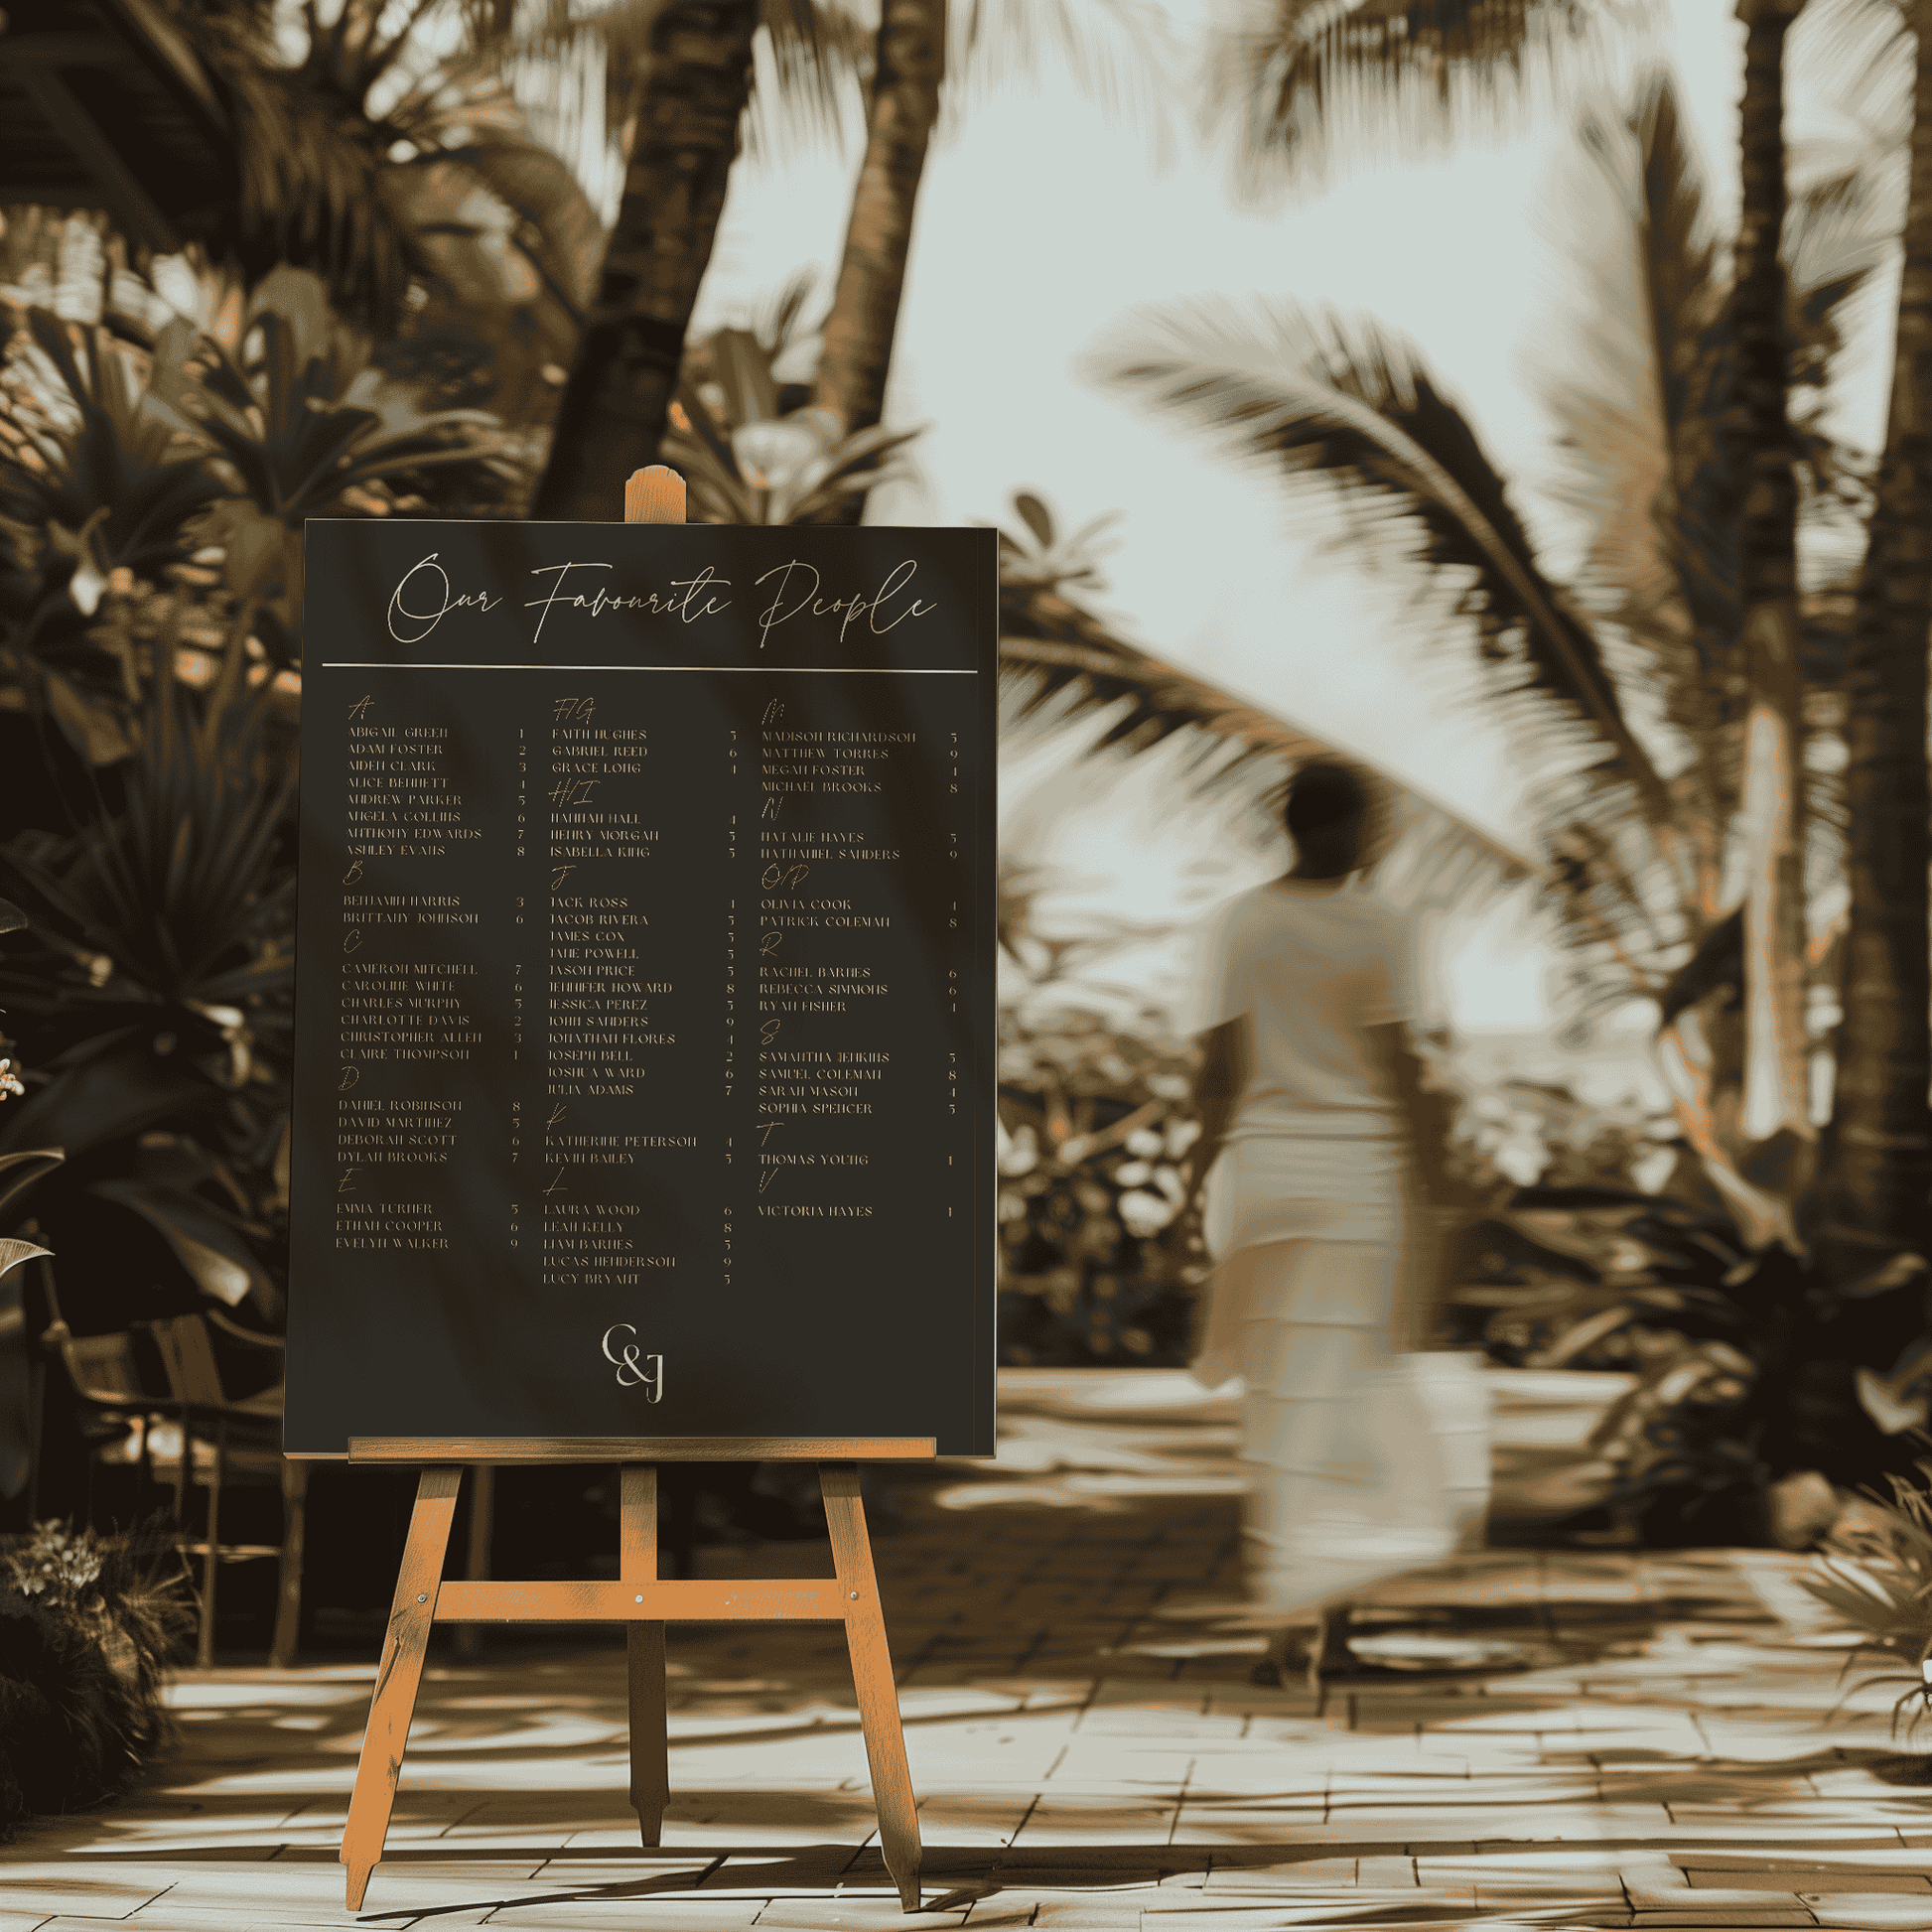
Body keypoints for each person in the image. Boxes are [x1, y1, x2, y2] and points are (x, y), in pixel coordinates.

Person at [1183, 759, 1473, 1690]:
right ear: (1346, 828)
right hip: (1357, 1185)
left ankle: (1281, 1639)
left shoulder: (1243, 922)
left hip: (1264, 1183)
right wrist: (1438, 1190)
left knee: (1279, 1404)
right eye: (1370, 823)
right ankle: (1333, 1639)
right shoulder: (1382, 926)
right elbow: (1400, 1072)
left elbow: (1218, 1073)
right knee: (1350, 1402)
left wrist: (1193, 1184)